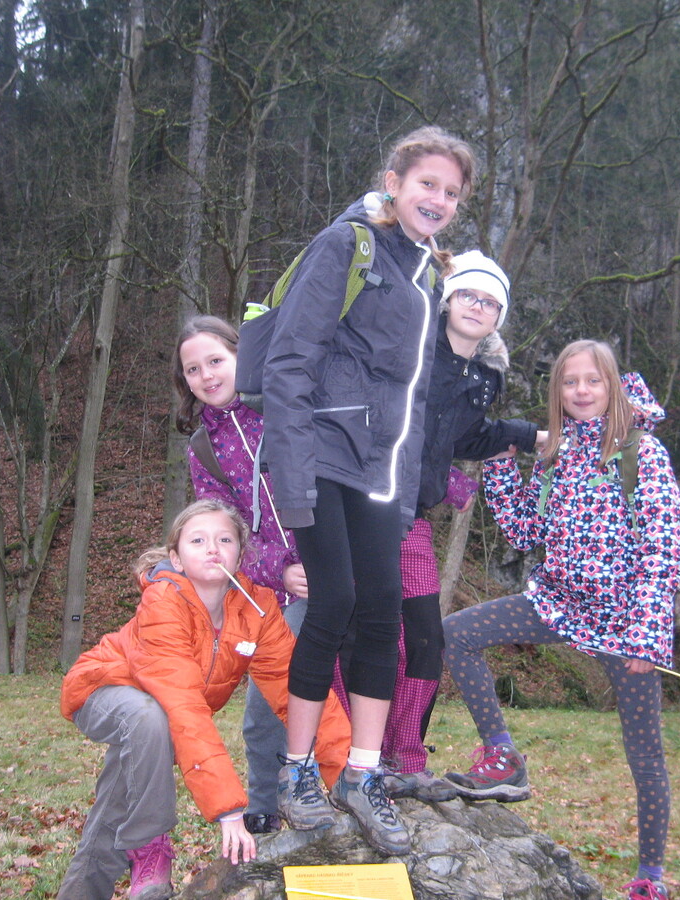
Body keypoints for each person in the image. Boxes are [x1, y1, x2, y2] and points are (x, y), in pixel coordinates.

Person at [260, 125, 476, 855]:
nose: (438, 199)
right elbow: (290, 362)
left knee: (385, 613)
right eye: (427, 184)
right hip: (324, 454)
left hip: (385, 474)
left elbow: (413, 396)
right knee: (336, 602)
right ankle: (296, 772)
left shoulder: (428, 275)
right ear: (395, 182)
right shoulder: (347, 245)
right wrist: (292, 481)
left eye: (451, 192)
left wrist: (412, 486)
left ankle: (362, 773)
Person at [441, 340, 680, 900]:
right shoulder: (557, 453)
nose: (581, 390)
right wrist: (500, 462)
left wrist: (647, 637)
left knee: (645, 753)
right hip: (557, 604)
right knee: (456, 634)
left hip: (624, 625)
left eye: (592, 380)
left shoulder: (642, 452)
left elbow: (662, 547)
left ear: (612, 386)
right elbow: (525, 530)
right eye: (570, 381)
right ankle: (502, 755)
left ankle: (650, 877)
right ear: (558, 391)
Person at [57, 500, 349, 900]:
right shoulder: (164, 601)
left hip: (159, 713)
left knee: (118, 801)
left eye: (225, 540)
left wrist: (349, 775)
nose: (213, 548)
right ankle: (149, 846)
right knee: (149, 717)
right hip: (102, 688)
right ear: (176, 558)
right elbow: (184, 705)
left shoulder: (257, 609)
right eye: (198, 540)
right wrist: (228, 808)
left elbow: (298, 694)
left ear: (240, 555)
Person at [331, 250, 542, 802]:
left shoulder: (486, 376)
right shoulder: (413, 346)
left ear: (499, 317)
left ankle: (406, 758)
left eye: (490, 302)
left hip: (414, 521)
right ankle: (349, 755)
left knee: (426, 638)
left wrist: (528, 435)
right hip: (366, 506)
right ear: (447, 299)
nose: (477, 306)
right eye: (468, 294)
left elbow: (463, 437)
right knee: (361, 635)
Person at [173, 313, 307, 837]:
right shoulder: (203, 449)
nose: (206, 375)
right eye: (192, 369)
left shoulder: (287, 409)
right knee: (264, 708)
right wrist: (282, 569)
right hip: (267, 592)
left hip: (331, 572)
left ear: (241, 355)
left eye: (215, 361)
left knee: (334, 688)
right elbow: (224, 535)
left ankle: (355, 780)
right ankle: (264, 806)